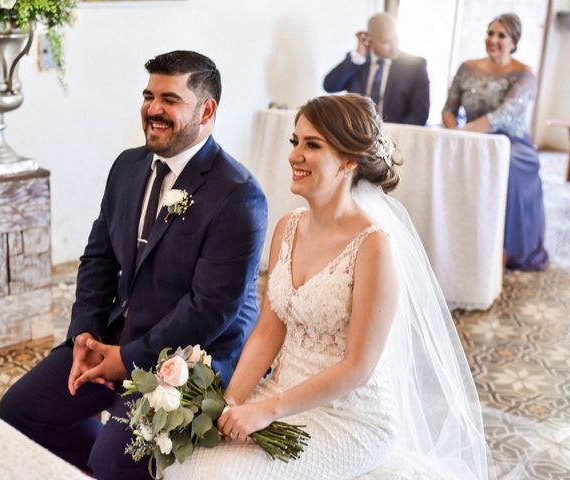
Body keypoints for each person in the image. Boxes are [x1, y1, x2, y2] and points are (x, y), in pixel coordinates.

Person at [163, 94, 490, 479]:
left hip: (351, 417)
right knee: (187, 461)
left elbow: (358, 367)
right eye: (295, 142)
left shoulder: (374, 247)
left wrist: (265, 411)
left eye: (312, 145)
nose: (294, 155)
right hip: (281, 392)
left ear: (350, 160)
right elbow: (269, 330)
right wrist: (230, 402)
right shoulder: (287, 227)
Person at [0, 50, 268, 479]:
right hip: (117, 332)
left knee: (114, 461)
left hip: (190, 355)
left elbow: (209, 311)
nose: (153, 109)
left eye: (170, 99)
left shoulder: (238, 195)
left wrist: (126, 359)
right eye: (148, 95)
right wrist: (85, 334)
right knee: (20, 411)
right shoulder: (128, 166)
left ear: (207, 110)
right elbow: (98, 259)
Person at [443, 13, 549, 271]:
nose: (493, 39)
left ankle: (505, 249)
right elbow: (448, 109)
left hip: (512, 143)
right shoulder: (467, 67)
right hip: (469, 136)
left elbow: (501, 116)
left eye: (501, 35)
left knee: (508, 164)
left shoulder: (524, 74)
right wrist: (453, 132)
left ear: (514, 42)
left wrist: (463, 134)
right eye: (490, 33)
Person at [323, 13, 430, 126]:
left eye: (395, 38)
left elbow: (420, 115)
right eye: (386, 42)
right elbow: (329, 86)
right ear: (370, 40)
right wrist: (358, 56)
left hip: (398, 136)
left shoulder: (415, 66)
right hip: (358, 135)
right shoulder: (358, 62)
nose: (394, 46)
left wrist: (392, 135)